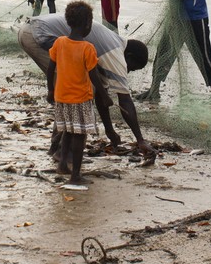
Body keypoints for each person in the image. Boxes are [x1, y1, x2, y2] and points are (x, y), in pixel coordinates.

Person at [18, 10, 154, 161]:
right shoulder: (116, 55)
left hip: (31, 29)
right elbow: (125, 101)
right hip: (40, 35)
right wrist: (140, 140)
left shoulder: (111, 45)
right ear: (129, 57)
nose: (127, 71)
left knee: (80, 90)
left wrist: (109, 131)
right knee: (77, 93)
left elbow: (100, 96)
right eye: (131, 67)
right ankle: (64, 151)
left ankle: (57, 148)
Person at [46, 1, 107, 188]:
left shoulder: (59, 42)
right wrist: (104, 94)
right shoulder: (87, 48)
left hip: (62, 97)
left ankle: (63, 165)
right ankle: (75, 176)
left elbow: (50, 69)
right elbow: (93, 75)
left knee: (68, 132)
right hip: (80, 99)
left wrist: (50, 89)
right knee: (79, 137)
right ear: (88, 23)